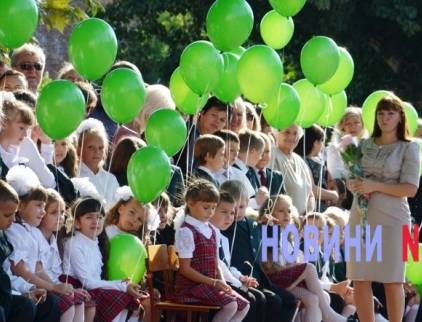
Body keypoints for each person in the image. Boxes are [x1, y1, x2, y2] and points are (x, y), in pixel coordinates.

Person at [347, 94, 420, 322]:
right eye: (381, 113)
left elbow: (410, 189)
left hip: (393, 219)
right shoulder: (363, 145)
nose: (384, 118)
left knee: (392, 280)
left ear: (400, 117)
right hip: (360, 217)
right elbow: (351, 178)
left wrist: (374, 186)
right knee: (360, 278)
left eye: (390, 113)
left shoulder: (409, 148)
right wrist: (355, 185)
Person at [259, 195, 347, 322]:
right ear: (269, 213)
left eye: (289, 211)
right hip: (274, 280)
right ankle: (329, 315)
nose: (286, 214)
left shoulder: (289, 236)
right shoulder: (269, 231)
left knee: (313, 299)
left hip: (288, 279)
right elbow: (270, 266)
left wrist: (294, 264)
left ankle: (328, 314)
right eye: (281, 211)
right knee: (309, 268)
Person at [221, 180, 298, 322]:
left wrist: (270, 228)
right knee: (267, 300)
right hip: (239, 278)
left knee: (289, 300)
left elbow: (268, 248)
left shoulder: (252, 224)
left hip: (257, 278)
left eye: (242, 207)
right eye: (233, 208)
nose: (237, 212)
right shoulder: (226, 226)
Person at [174, 179, 250, 322]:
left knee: (244, 306)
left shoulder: (212, 230)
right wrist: (213, 282)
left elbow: (215, 262)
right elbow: (184, 269)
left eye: (214, 208)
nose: (210, 212)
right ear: (190, 203)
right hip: (191, 286)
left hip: (209, 284)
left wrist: (222, 282)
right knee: (231, 305)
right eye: (206, 207)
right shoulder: (186, 231)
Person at [61, 197, 146, 322]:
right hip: (78, 286)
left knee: (131, 302)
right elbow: (87, 282)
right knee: (119, 297)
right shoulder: (74, 243)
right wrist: (121, 286)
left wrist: (122, 284)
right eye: (89, 217)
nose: (96, 221)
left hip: (94, 286)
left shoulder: (96, 242)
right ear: (77, 223)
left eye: (100, 217)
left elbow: (96, 279)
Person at [38, 189, 93, 322]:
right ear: (42, 213)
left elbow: (56, 274)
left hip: (54, 285)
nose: (60, 217)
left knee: (81, 301)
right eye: (54, 212)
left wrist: (71, 288)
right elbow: (38, 271)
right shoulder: (35, 237)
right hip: (40, 286)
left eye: (62, 213)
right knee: (70, 304)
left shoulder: (53, 239)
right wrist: (60, 288)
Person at [210, 191, 265, 322]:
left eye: (232, 213)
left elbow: (227, 266)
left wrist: (241, 277)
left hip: (227, 280)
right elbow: (218, 264)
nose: (229, 217)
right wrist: (238, 283)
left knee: (260, 298)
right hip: (214, 282)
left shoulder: (223, 238)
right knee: (250, 299)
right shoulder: (209, 234)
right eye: (224, 212)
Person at [0, 179, 38, 322]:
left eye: (14, 214)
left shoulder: (3, 236)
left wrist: (28, 288)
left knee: (32, 305)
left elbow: (6, 275)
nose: (13, 220)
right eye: (7, 215)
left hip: (7, 295)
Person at [0, 98, 56, 188]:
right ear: (4, 122)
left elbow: (49, 182)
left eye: (27, 129)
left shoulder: (25, 146)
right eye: (21, 128)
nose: (25, 134)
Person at [272, 124, 315, 215]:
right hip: (283, 222)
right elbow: (273, 194)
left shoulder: (300, 161)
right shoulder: (272, 156)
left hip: (303, 223)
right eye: (287, 132)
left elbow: (310, 195)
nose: (291, 137)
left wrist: (308, 215)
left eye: (295, 133)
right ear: (277, 133)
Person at [294, 124, 339, 211]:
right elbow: (312, 189)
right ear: (315, 143)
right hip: (312, 210)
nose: (322, 146)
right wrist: (334, 195)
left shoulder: (311, 160)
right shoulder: (302, 161)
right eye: (322, 141)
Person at [77, 118, 119, 207]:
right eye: (91, 147)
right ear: (80, 148)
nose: (97, 152)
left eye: (101, 148)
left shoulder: (111, 179)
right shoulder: (75, 174)